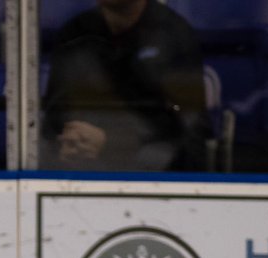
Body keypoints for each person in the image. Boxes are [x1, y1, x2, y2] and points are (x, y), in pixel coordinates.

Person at [42, 0, 210, 172]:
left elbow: (189, 130)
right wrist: (71, 139)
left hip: (153, 180)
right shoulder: (75, 32)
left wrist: (112, 143)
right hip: (79, 177)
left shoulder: (175, 36)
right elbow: (54, 116)